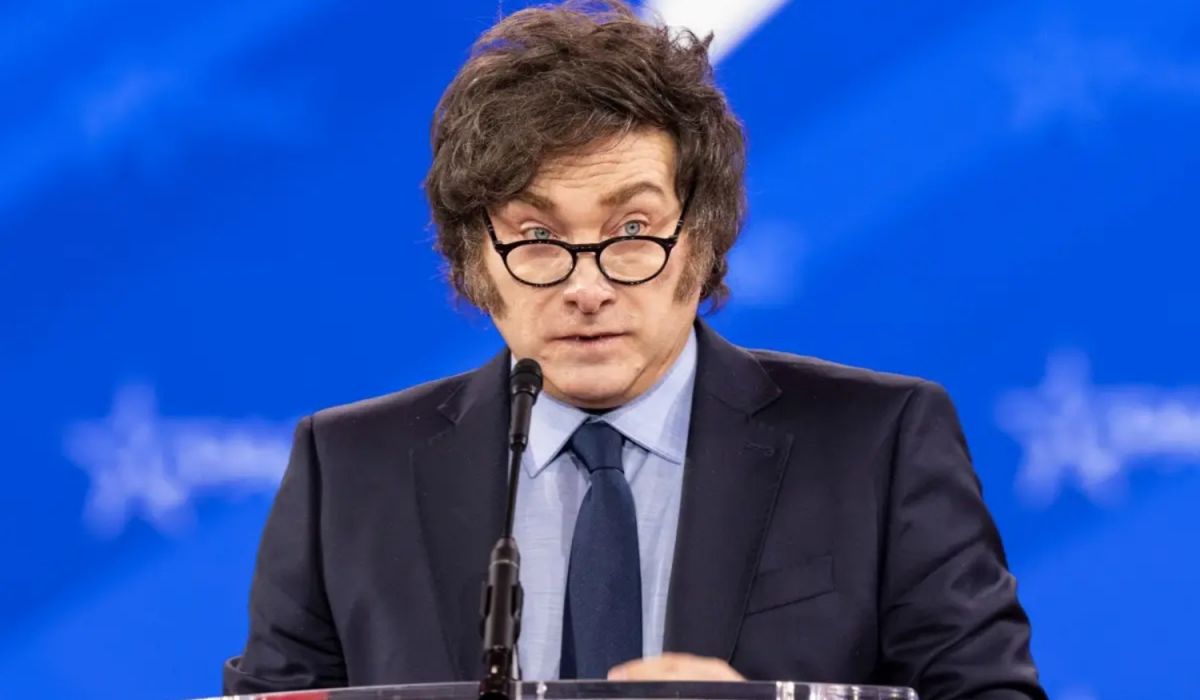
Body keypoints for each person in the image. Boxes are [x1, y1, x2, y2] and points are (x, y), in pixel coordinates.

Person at [224, 2, 1046, 697]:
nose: (587, 286)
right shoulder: (348, 472)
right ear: (476, 259)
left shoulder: (879, 445)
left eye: (632, 229)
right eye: (537, 236)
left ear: (703, 239)